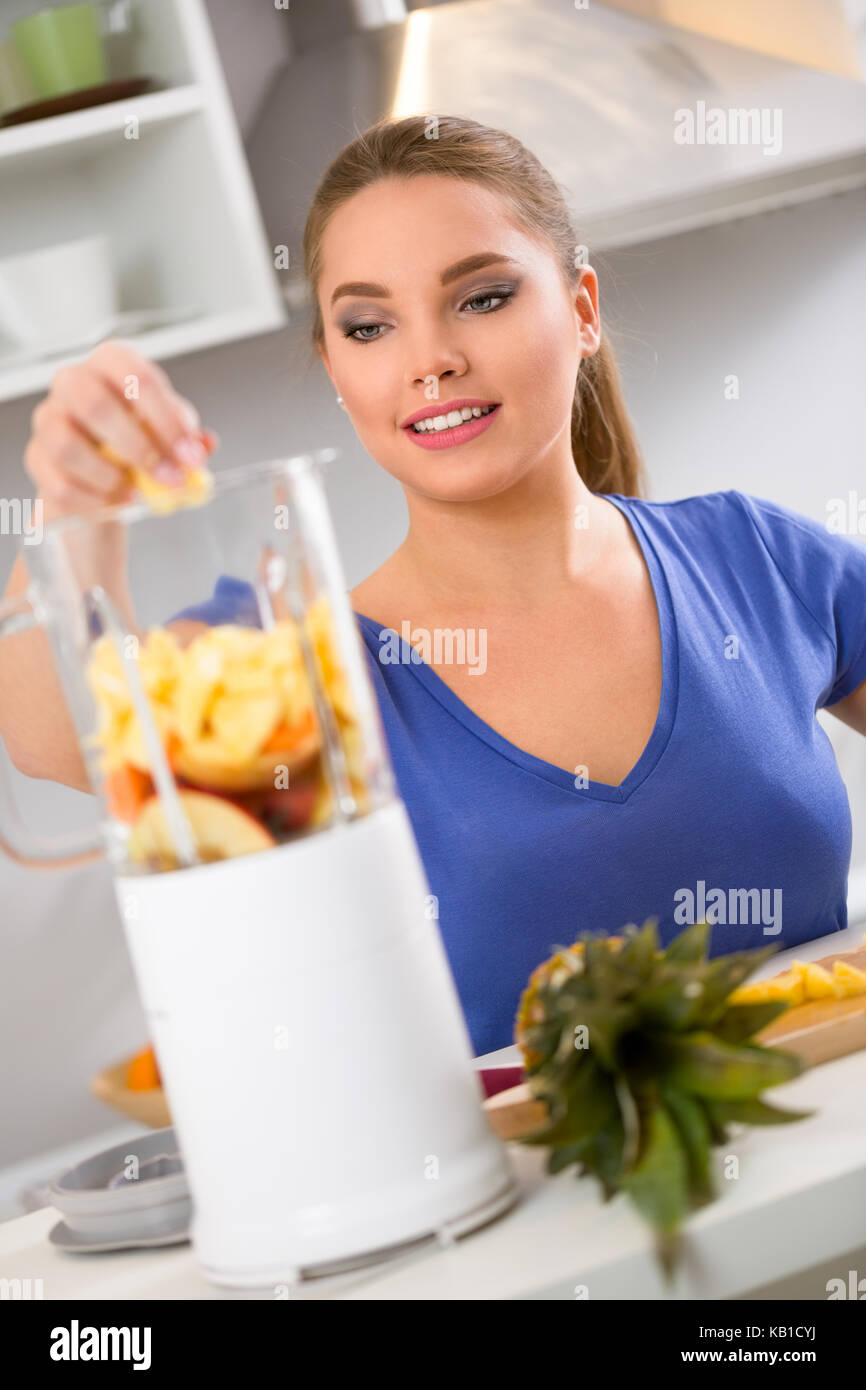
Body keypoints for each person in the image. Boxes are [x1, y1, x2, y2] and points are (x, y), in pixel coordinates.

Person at [3, 115, 866, 1057]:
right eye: (368, 325)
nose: (429, 360)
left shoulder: (753, 559)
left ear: (582, 310)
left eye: (482, 298)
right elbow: (56, 733)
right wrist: (72, 504)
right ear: (336, 366)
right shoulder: (295, 673)